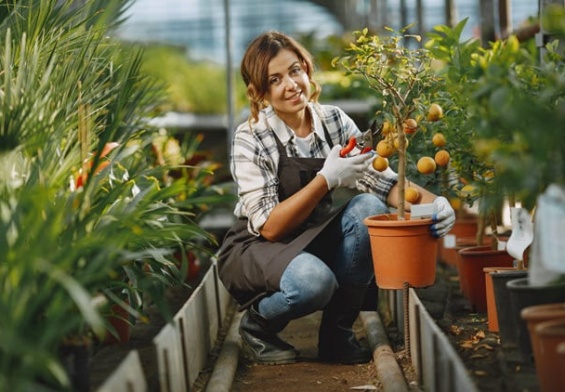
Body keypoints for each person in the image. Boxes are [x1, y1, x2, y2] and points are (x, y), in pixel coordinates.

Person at [217, 31, 455, 365]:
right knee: (314, 282)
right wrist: (326, 178)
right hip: (257, 245)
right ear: (260, 92)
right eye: (275, 79)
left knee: (368, 207)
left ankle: (336, 335)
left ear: (306, 70)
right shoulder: (252, 136)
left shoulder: (333, 121)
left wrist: (434, 204)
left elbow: (383, 181)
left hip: (310, 234)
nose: (291, 85)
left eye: (295, 70)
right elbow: (270, 228)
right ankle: (258, 325)